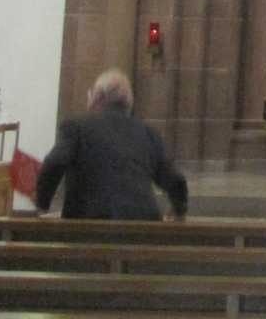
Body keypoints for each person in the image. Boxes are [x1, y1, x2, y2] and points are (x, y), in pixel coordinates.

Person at [35, 68, 187, 220]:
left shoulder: (77, 127)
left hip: (88, 223)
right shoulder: (148, 133)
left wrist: (42, 204)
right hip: (142, 223)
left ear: (98, 96)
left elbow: (55, 162)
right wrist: (178, 210)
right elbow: (175, 179)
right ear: (129, 102)